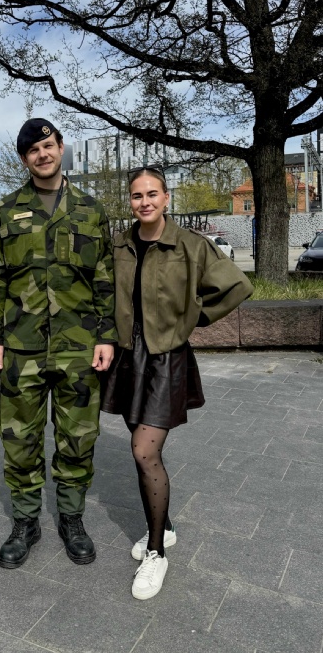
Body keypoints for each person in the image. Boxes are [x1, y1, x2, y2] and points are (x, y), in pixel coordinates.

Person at [102, 166, 253, 600]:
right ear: (130, 201)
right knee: (140, 447)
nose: (144, 201)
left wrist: (193, 318)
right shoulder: (119, 245)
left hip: (166, 358)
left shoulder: (190, 244)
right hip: (127, 357)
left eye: (152, 193)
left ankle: (156, 553)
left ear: (166, 197)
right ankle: (163, 526)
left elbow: (237, 286)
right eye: (137, 195)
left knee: (144, 451)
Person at [0, 118, 117, 568]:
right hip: (20, 346)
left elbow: (105, 278)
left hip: (78, 345)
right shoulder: (6, 211)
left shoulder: (91, 210)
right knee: (19, 438)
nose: (41, 155)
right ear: (24, 159)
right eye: (32, 150)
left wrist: (106, 335)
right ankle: (25, 521)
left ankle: (71, 518)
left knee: (77, 437)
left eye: (48, 146)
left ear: (61, 148)